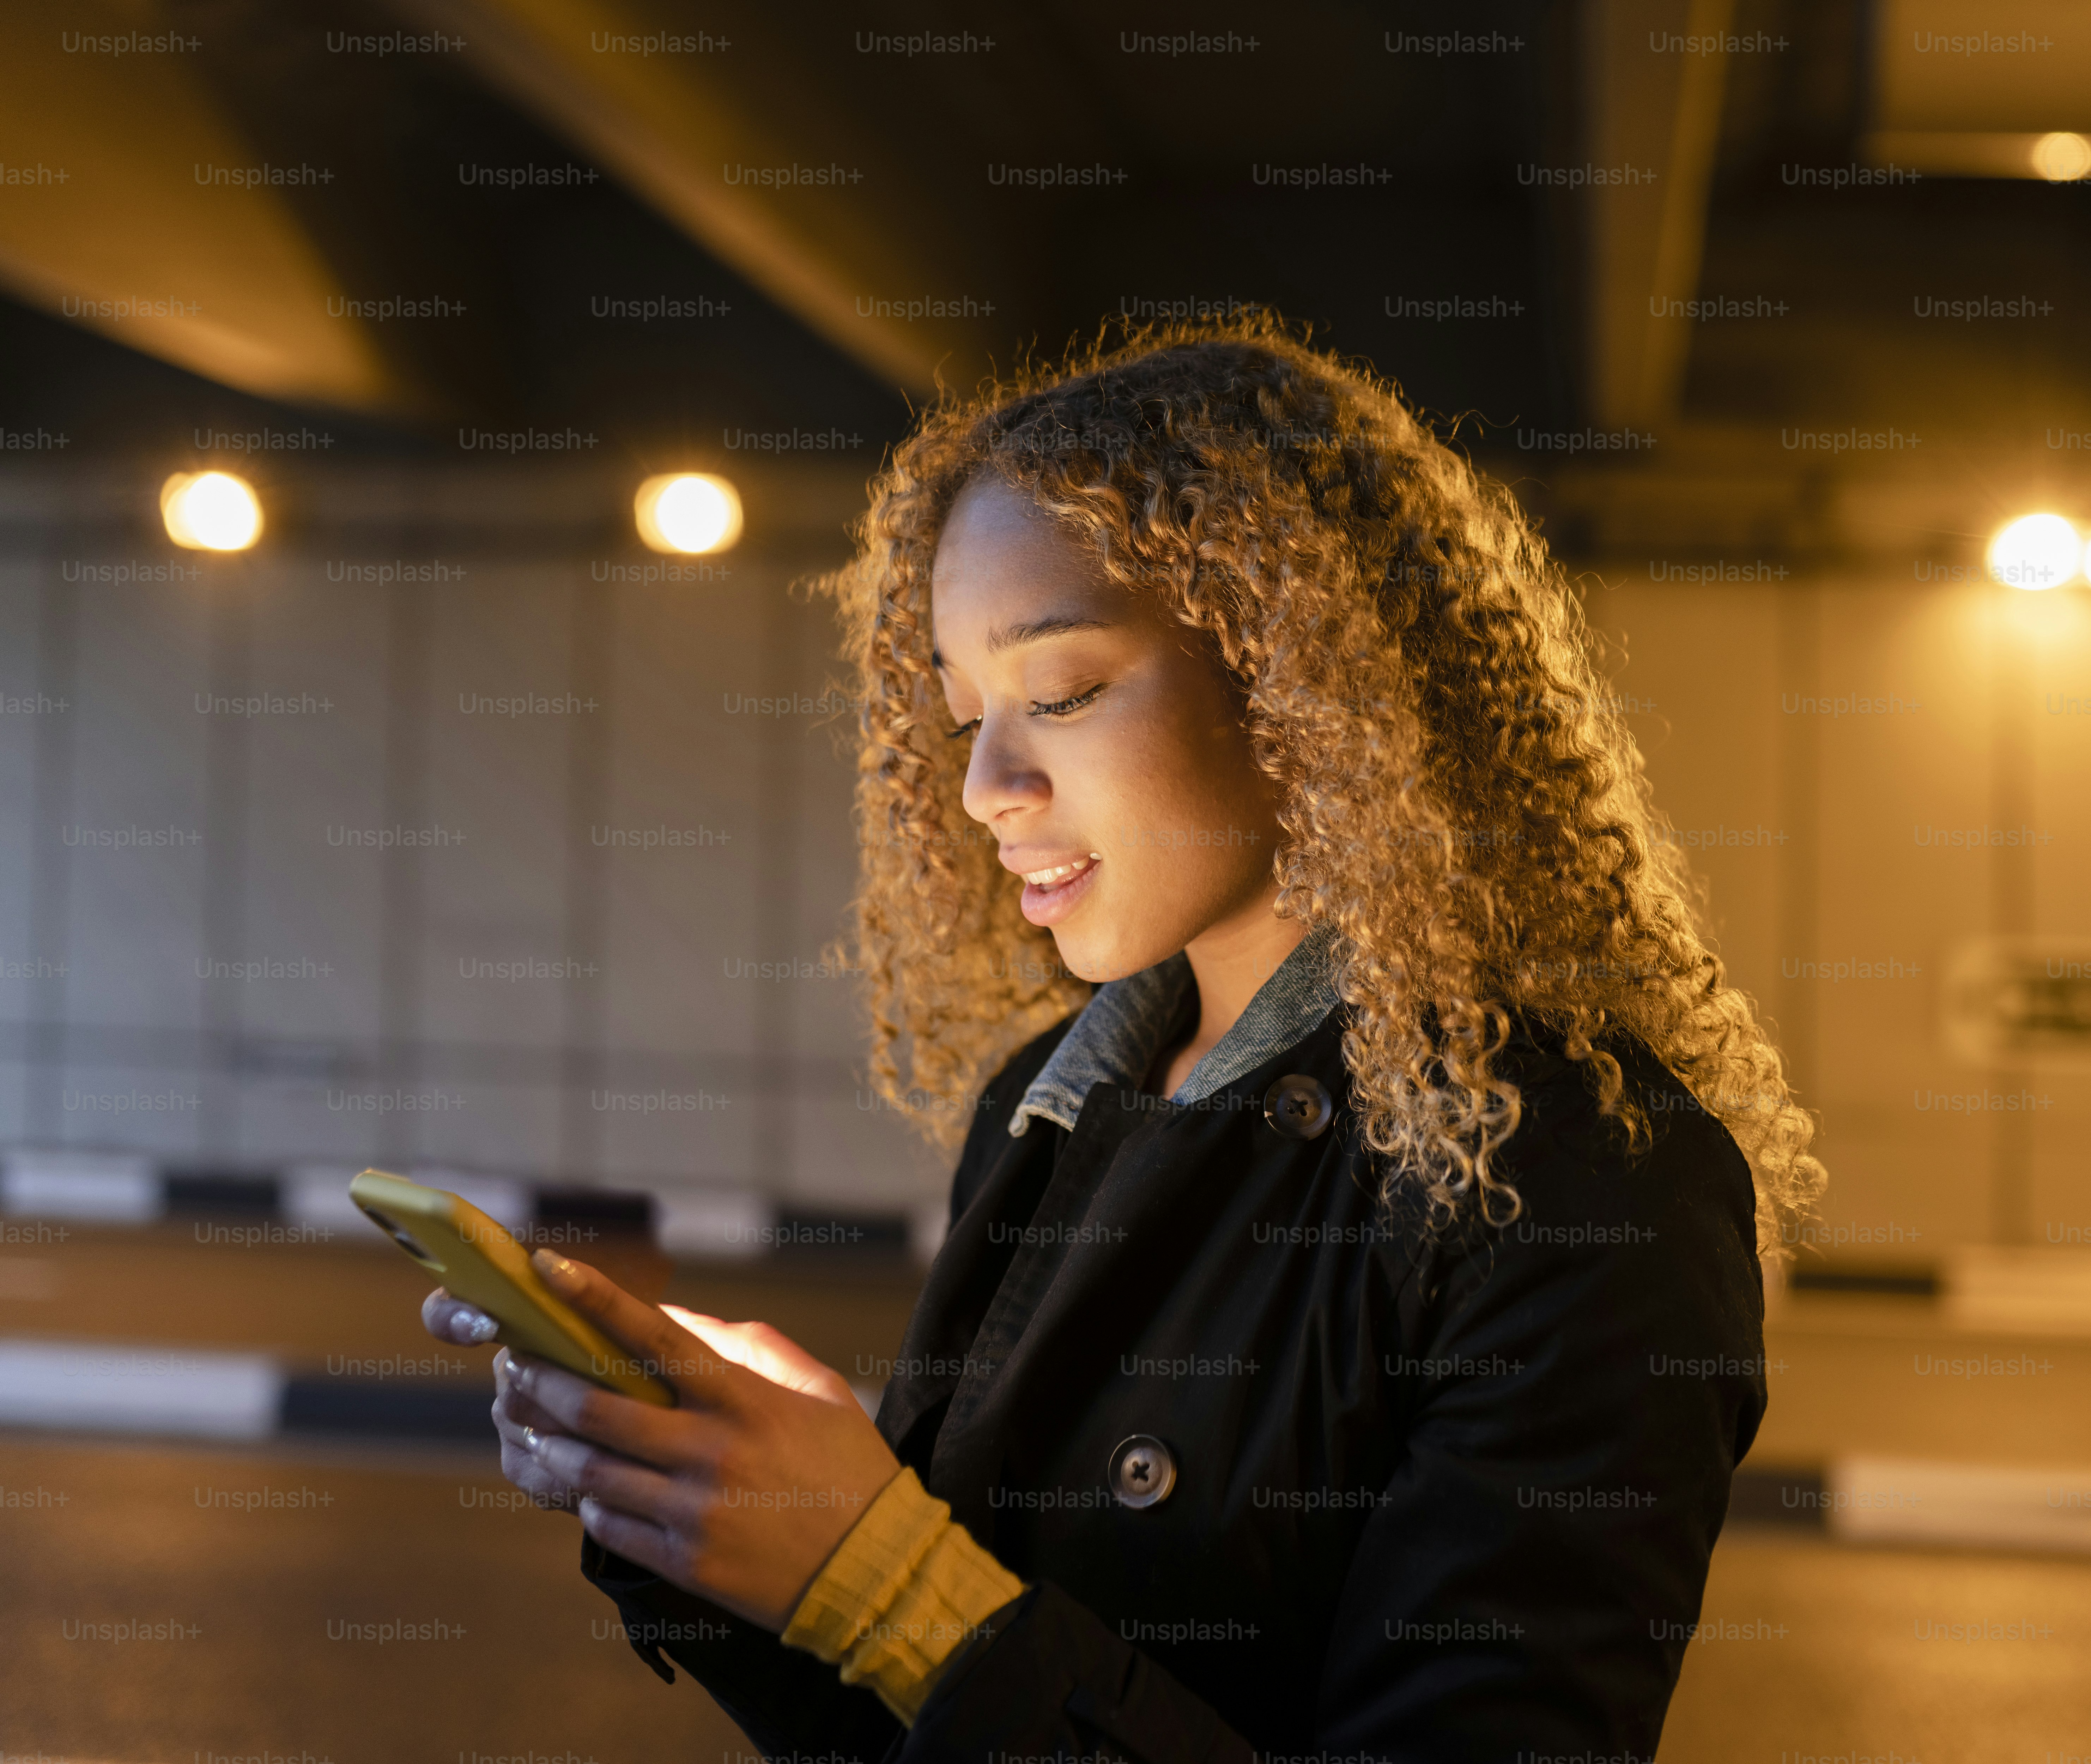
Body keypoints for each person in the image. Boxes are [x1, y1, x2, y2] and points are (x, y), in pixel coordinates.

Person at [421, 314, 1824, 1762]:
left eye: (1062, 693)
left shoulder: (1588, 1180)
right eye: (964, 717)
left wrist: (893, 1579)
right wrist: (705, 1504)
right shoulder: (1047, 1103)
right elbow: (925, 1719)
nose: (983, 786)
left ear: (1300, 677)